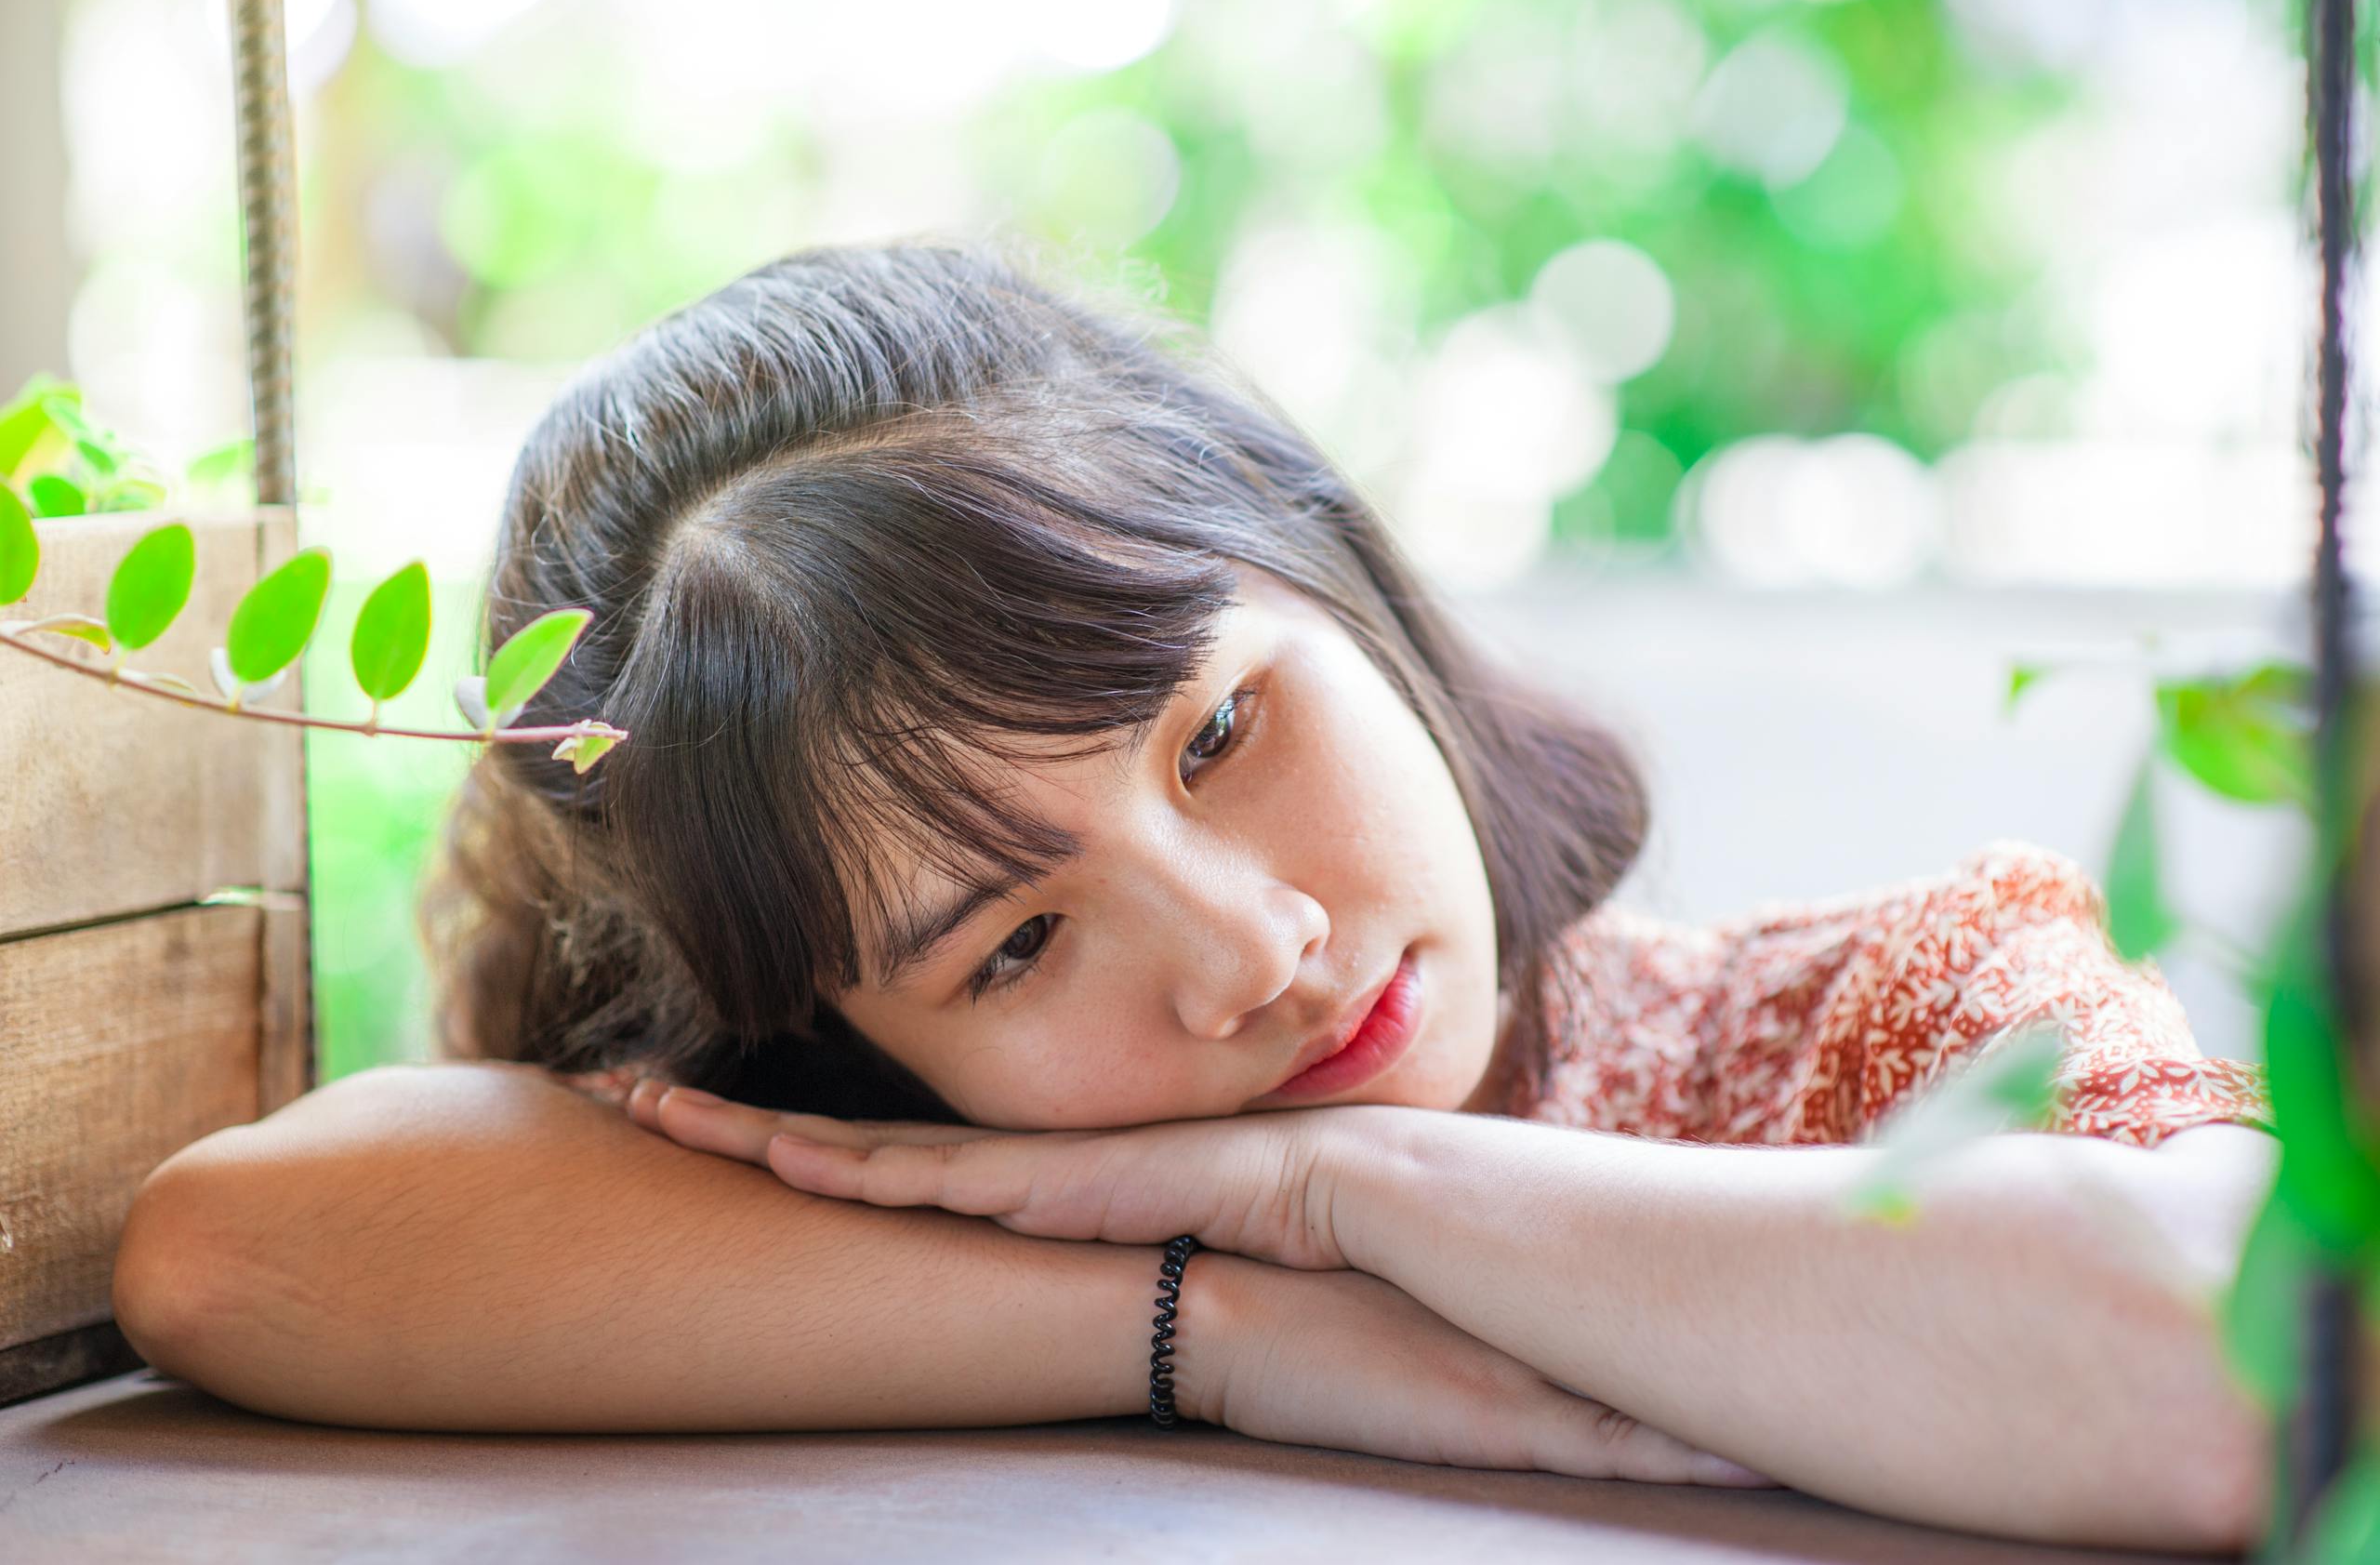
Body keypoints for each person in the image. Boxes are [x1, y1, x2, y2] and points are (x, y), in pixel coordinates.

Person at [112, 236, 2281, 1553]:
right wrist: (1219, 1332)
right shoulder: (910, 1214)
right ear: (849, 1044)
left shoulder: (1869, 1014)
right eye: (1017, 941)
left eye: (1218, 733)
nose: (1251, 950)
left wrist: (1341, 1197)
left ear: (1329, 564)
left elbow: (2239, 1373)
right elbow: (238, 1248)